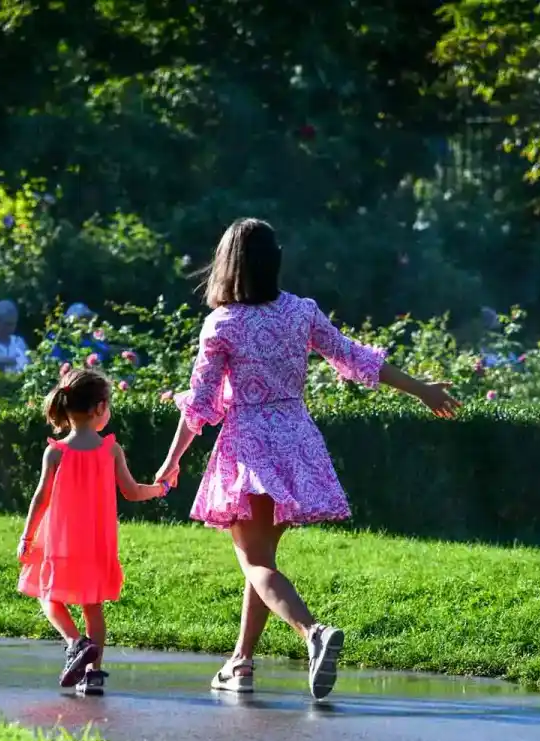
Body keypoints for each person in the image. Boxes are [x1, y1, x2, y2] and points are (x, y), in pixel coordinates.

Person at [155, 217, 459, 700]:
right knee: (263, 561)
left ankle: (313, 633)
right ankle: (241, 663)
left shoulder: (223, 323)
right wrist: (420, 389)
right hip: (295, 440)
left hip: (249, 444)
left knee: (255, 564)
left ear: (226, 264)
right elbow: (353, 358)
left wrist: (172, 460)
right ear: (273, 261)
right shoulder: (300, 312)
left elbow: (202, 404)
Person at [17, 368, 170, 696]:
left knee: (48, 595)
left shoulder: (56, 451)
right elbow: (131, 491)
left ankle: (75, 642)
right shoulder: (110, 450)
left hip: (61, 541)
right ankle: (94, 674)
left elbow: (40, 497)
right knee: (93, 607)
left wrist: (26, 537)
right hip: (97, 544)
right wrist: (161, 489)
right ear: (99, 408)